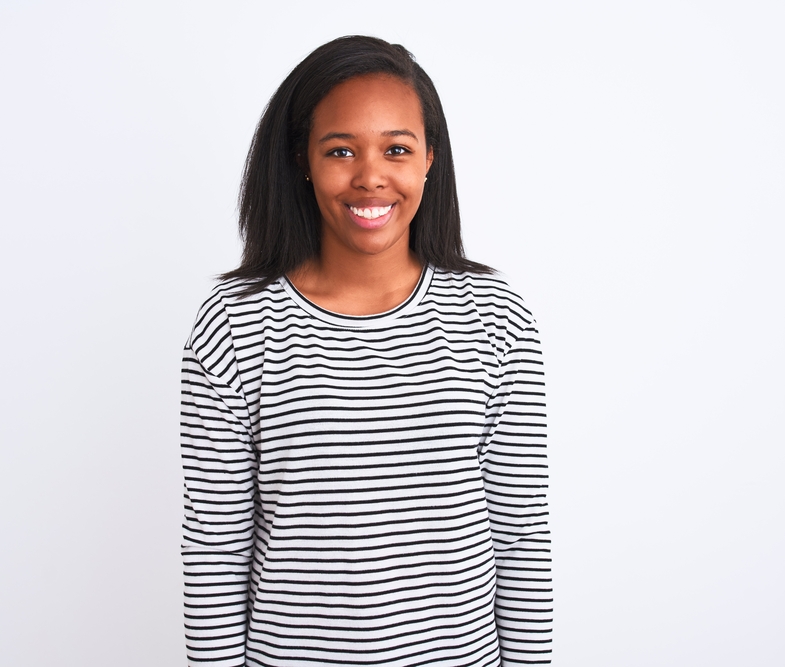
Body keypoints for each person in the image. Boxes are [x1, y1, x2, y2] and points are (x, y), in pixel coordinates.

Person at [180, 35, 551, 666]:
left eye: (397, 149)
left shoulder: (494, 320)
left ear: (431, 158)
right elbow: (215, 553)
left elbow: (520, 539)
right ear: (302, 158)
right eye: (341, 150)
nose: (370, 175)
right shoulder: (236, 327)